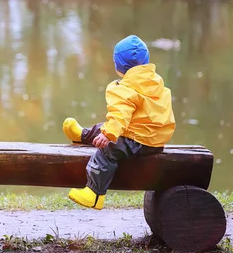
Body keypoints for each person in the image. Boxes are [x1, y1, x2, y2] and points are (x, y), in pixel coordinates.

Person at [62, 35, 176, 210]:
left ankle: (94, 193)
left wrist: (108, 135)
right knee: (105, 126)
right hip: (154, 139)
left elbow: (119, 116)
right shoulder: (154, 81)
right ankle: (83, 135)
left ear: (118, 66)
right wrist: (107, 130)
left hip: (138, 140)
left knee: (106, 151)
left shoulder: (125, 88)